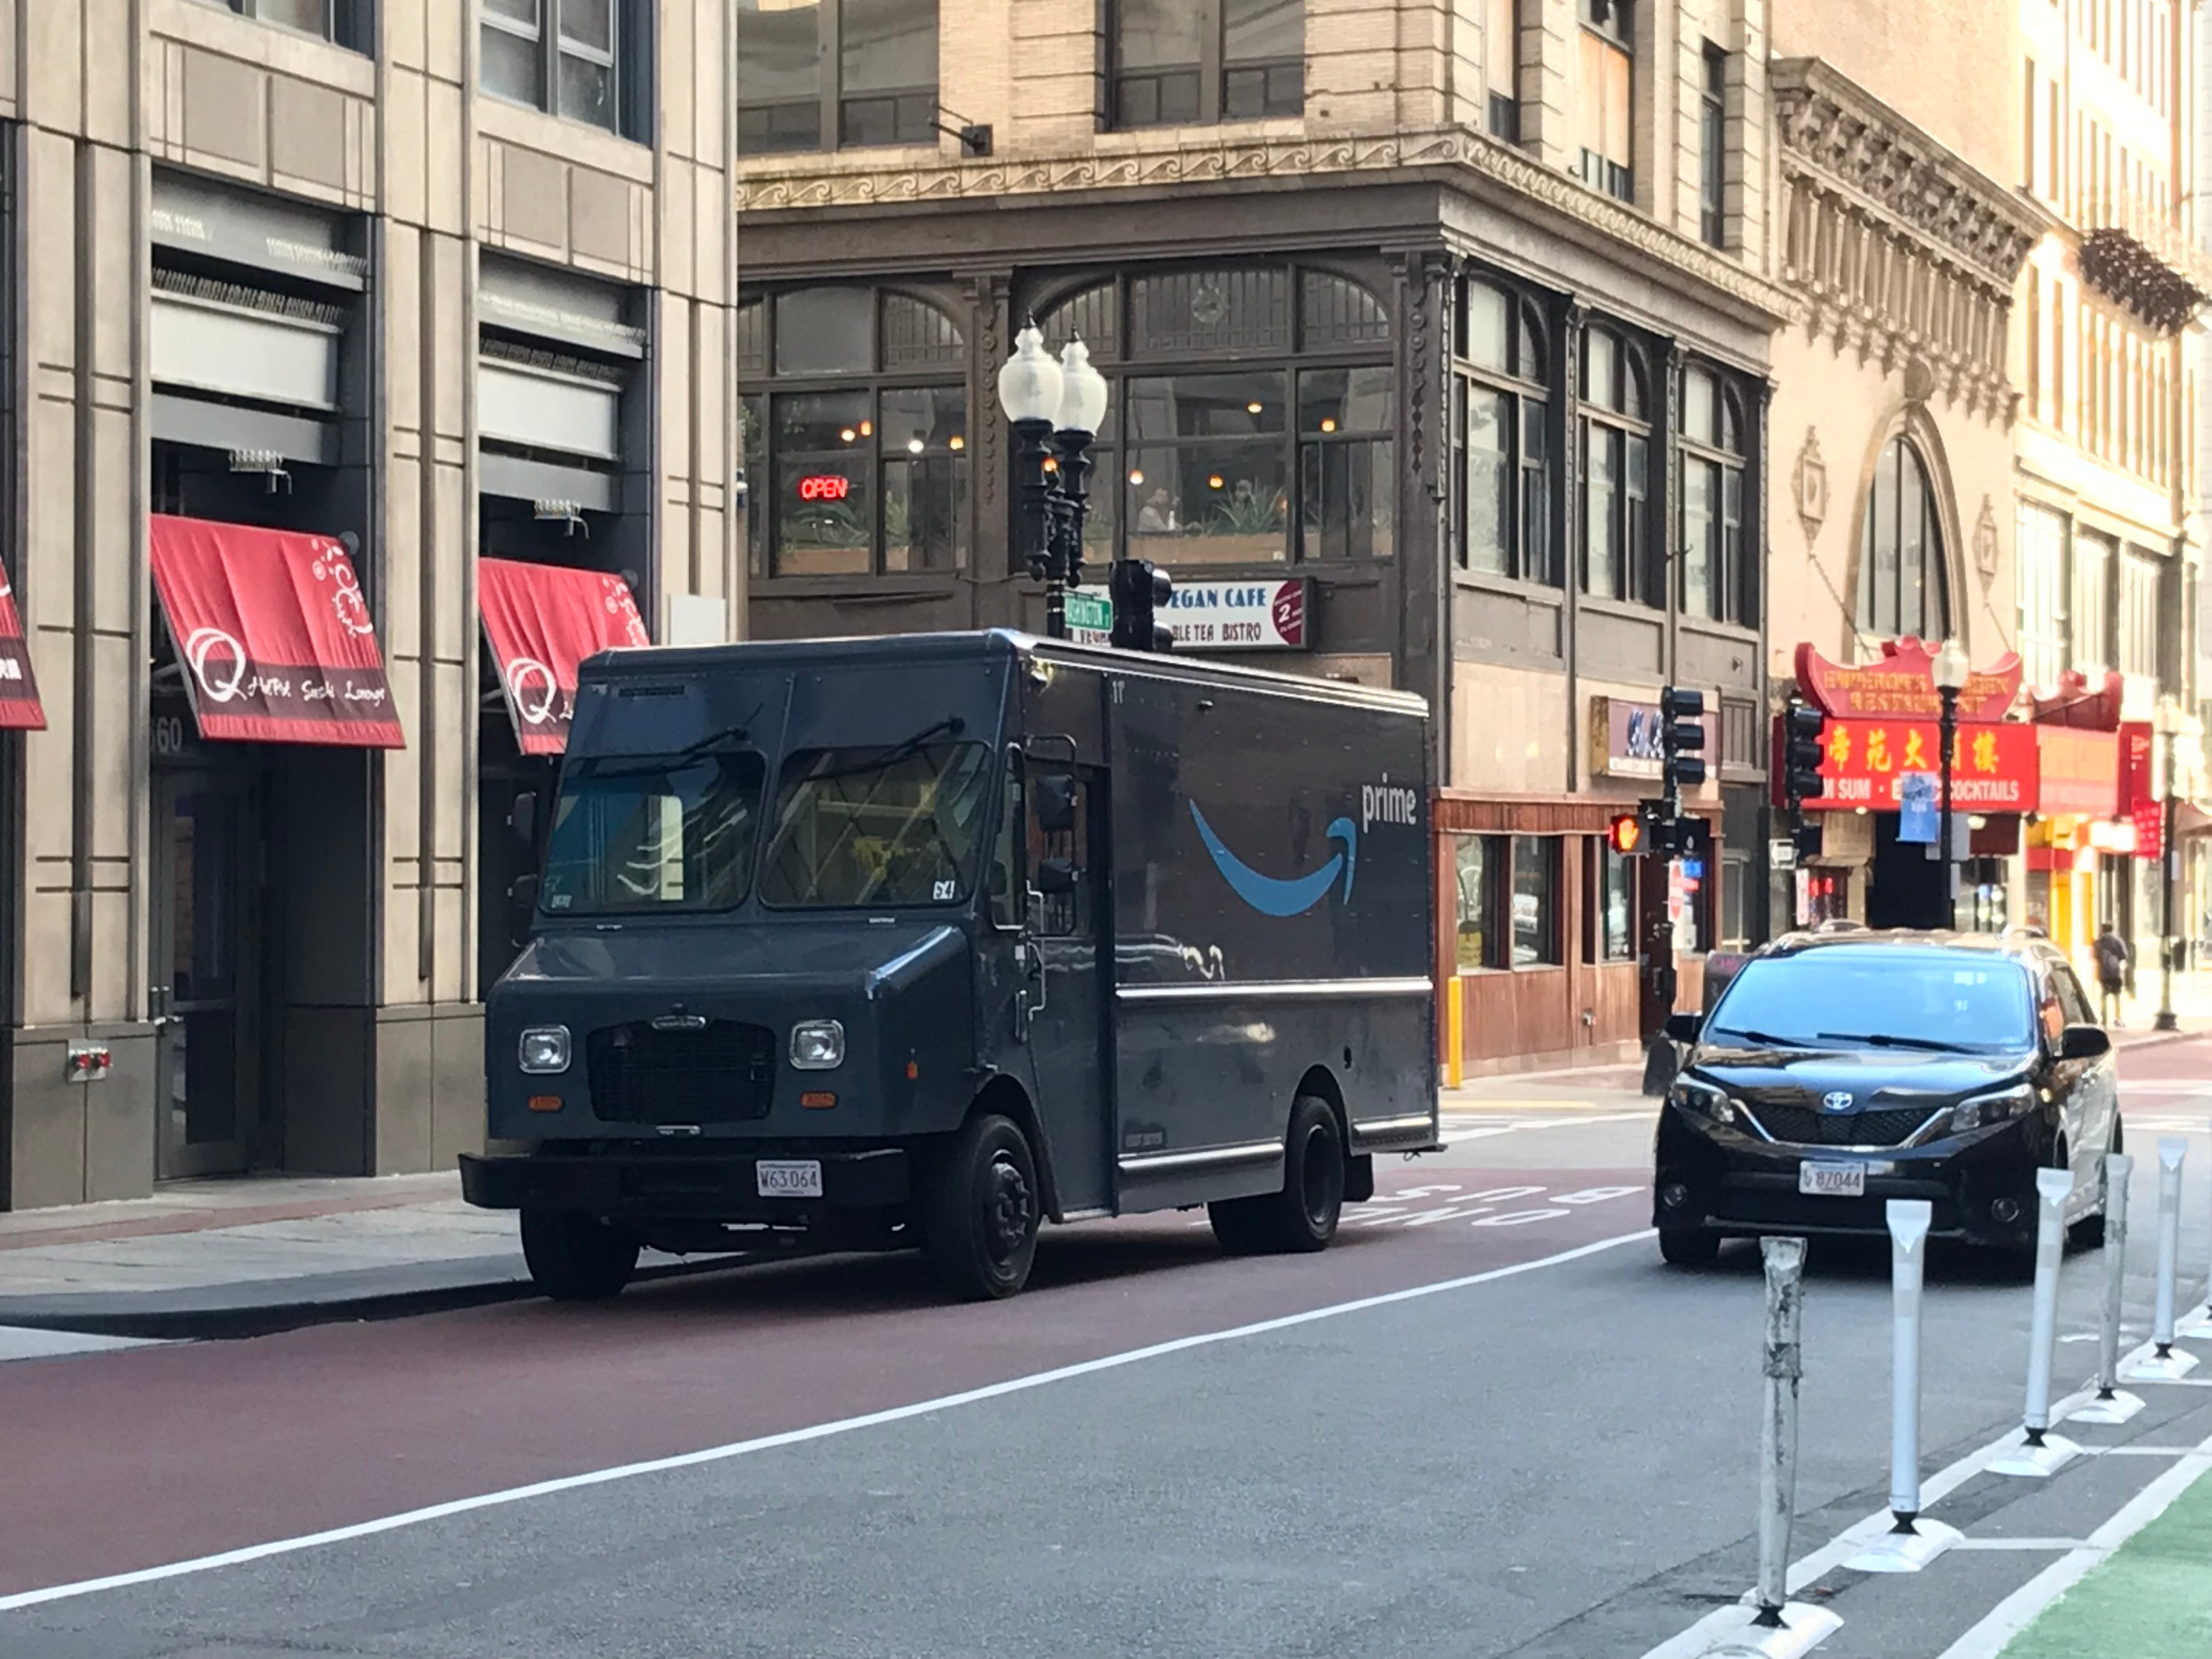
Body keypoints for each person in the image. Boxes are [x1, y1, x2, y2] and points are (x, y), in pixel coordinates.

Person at [2094, 921, 2131, 1027]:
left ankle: (2104, 1018)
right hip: (2115, 973)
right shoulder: (2118, 941)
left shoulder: (2099, 942)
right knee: (2117, 996)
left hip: (2103, 973)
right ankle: (2117, 1018)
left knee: (2103, 996)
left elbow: (2096, 956)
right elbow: (2124, 955)